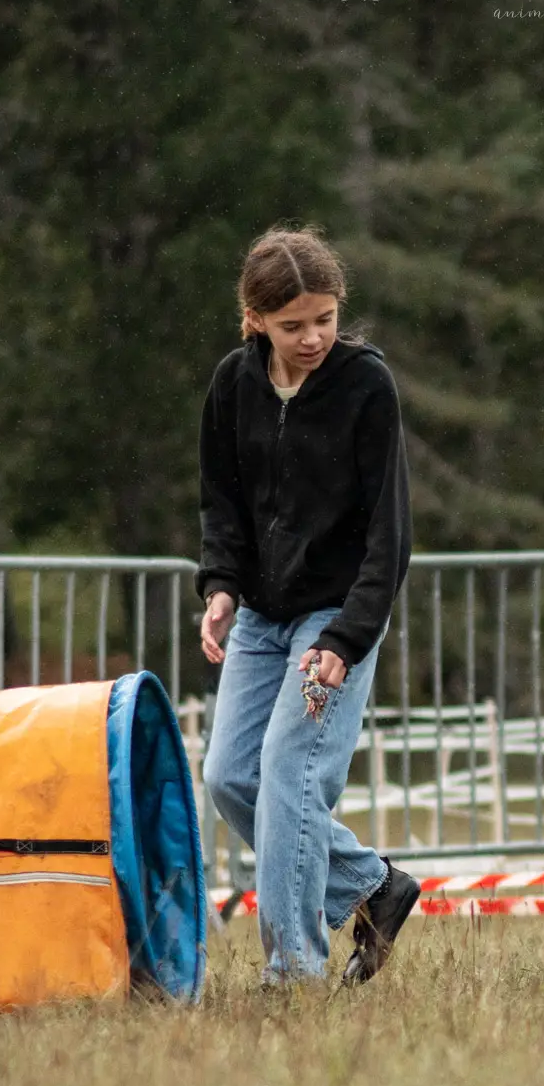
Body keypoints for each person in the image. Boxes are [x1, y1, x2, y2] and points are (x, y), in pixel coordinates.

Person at [196, 226, 420, 986]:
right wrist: (221, 584)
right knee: (230, 776)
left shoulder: (365, 386)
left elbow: (390, 533)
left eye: (324, 318)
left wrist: (348, 636)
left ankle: (292, 971)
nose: (314, 337)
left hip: (338, 611)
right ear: (255, 318)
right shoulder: (233, 384)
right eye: (294, 325)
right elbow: (222, 500)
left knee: (291, 770)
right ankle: (370, 885)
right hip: (262, 612)